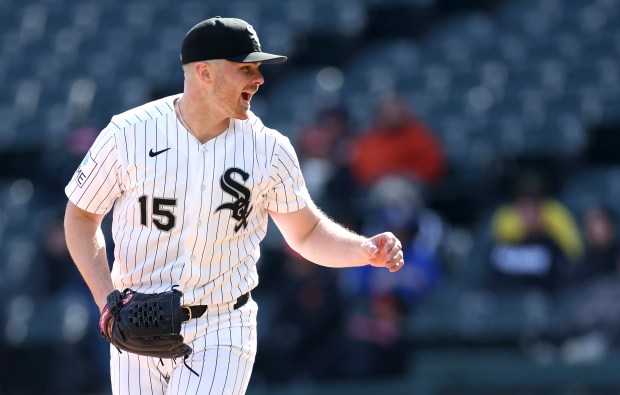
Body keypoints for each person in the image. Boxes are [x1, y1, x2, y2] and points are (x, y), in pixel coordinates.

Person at [63, 17, 404, 395]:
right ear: (204, 72)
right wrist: (107, 301)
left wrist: (363, 249)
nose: (258, 79)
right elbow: (80, 215)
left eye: (258, 68)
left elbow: (305, 232)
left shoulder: (268, 150)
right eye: (245, 68)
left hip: (221, 324)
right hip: (136, 324)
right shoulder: (128, 134)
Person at [348, 93, 446, 188]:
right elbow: (366, 172)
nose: (394, 114)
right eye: (389, 110)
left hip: (414, 186)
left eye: (397, 110)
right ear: (380, 113)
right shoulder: (368, 139)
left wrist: (402, 174)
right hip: (378, 189)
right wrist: (393, 172)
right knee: (390, 187)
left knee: (395, 188)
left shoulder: (419, 135)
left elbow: (433, 167)